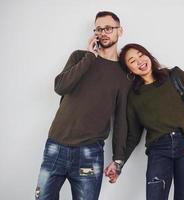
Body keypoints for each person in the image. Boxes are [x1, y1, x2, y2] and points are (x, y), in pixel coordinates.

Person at [35, 11, 130, 200]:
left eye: (108, 28)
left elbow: (121, 120)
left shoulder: (124, 74)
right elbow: (60, 87)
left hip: (89, 153)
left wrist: (118, 160)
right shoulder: (80, 57)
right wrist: (90, 56)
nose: (103, 33)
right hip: (56, 146)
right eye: (99, 29)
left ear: (120, 31)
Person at [106, 43, 184, 200]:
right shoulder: (134, 97)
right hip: (159, 150)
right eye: (132, 61)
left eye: (141, 55)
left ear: (148, 55)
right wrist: (118, 163)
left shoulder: (175, 75)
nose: (139, 61)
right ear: (129, 70)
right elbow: (133, 135)